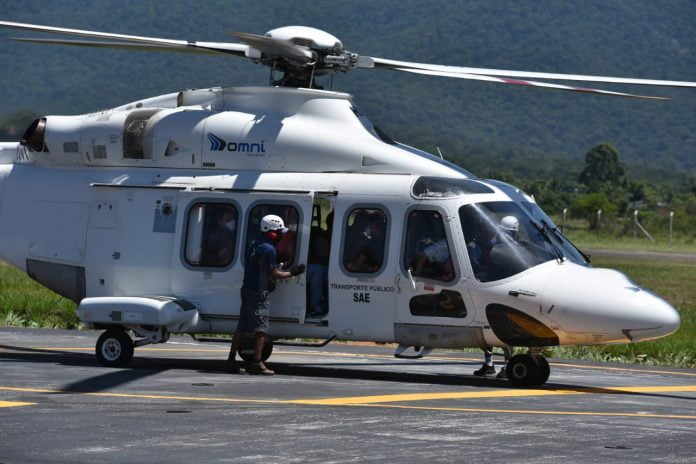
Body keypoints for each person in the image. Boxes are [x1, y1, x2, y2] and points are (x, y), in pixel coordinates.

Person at [227, 214, 305, 375]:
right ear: (272, 233)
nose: (281, 235)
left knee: (242, 326)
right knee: (261, 328)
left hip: (247, 289)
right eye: (279, 232)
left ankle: (231, 359)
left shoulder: (254, 243)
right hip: (259, 292)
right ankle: (257, 362)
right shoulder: (269, 249)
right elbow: (275, 273)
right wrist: (293, 272)